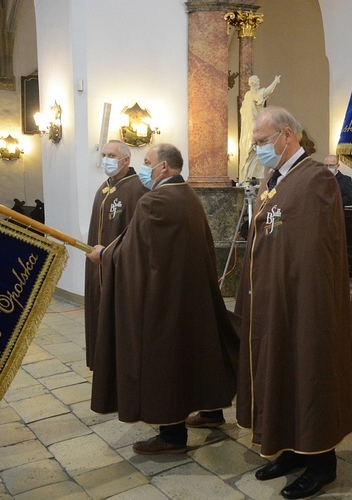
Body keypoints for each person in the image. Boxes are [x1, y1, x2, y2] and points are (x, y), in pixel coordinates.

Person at [85, 143, 238, 455]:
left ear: (164, 167)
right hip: (190, 293)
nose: (145, 168)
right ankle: (211, 410)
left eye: (147, 162)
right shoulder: (187, 195)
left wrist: (105, 255)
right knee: (199, 353)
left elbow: (132, 252)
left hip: (165, 300)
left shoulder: (155, 200)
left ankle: (171, 435)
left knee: (165, 361)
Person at [235, 107, 352, 499]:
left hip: (303, 302)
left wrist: (302, 298)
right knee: (280, 371)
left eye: (261, 141)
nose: (257, 148)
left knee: (308, 373)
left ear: (286, 136)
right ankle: (288, 448)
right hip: (273, 298)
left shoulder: (315, 177)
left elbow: (315, 249)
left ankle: (321, 461)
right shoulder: (276, 178)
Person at [84, 140, 147, 369]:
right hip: (99, 265)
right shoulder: (104, 187)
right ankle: (103, 362)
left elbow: (137, 233)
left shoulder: (137, 188)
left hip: (121, 268)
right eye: (104, 155)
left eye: (111, 155)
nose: (106, 160)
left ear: (126, 160)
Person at [239, 75, 281, 182]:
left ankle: (254, 178)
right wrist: (275, 81)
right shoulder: (250, 95)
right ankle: (248, 179)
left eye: (257, 81)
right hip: (251, 129)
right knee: (253, 154)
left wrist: (275, 82)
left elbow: (266, 92)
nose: (257, 83)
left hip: (255, 128)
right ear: (252, 83)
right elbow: (266, 92)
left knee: (258, 155)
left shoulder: (252, 95)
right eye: (255, 81)